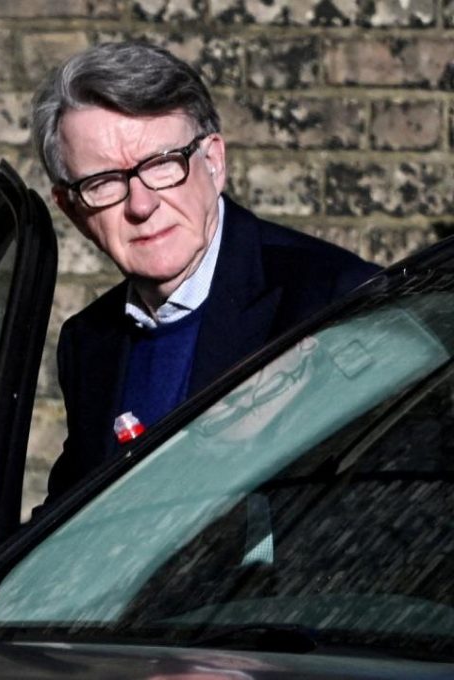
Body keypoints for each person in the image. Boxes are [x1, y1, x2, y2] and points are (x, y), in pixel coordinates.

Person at [31, 41, 380, 503]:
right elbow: (72, 523)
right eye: (104, 183)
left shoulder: (334, 300)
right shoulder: (89, 343)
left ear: (214, 162)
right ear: (73, 209)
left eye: (162, 165)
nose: (141, 205)